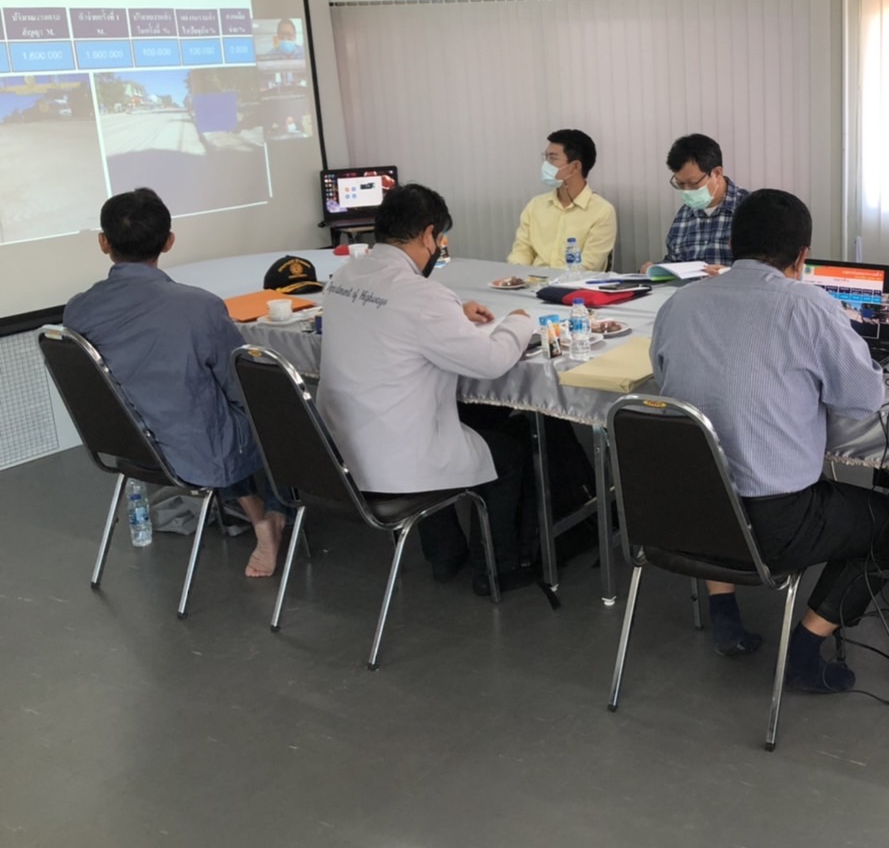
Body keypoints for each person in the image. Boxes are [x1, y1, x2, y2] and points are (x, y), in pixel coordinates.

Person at [651, 188, 889, 693]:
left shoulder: (679, 303)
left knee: (715, 465)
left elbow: (665, 380)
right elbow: (863, 398)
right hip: (774, 527)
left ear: (732, 244)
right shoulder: (808, 305)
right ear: (802, 256)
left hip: (687, 516)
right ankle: (804, 652)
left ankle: (724, 615)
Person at [319, 183, 541, 594]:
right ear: (428, 235)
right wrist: (520, 321)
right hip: (398, 459)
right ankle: (496, 570)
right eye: (439, 239)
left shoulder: (345, 276)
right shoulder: (423, 296)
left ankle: (445, 554)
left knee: (457, 424)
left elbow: (388, 317)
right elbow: (491, 362)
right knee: (510, 448)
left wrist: (454, 313)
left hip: (339, 452)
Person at [63, 188, 287, 578]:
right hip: (195, 452)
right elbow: (242, 386)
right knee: (277, 411)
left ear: (104, 242)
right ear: (169, 241)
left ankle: (255, 514)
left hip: (126, 446)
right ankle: (274, 517)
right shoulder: (198, 306)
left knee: (197, 409)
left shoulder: (78, 309)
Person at [508, 129, 617, 272]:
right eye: (546, 157)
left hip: (574, 283)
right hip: (532, 281)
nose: (546, 164)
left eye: (553, 158)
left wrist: (551, 281)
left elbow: (589, 265)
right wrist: (518, 274)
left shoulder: (602, 211)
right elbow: (522, 250)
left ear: (574, 167)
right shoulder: (536, 205)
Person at [640, 133, 749, 274]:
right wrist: (654, 269)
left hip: (733, 287)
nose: (687, 191)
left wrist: (729, 273)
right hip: (689, 288)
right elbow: (675, 262)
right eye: (680, 184)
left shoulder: (752, 209)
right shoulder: (684, 214)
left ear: (717, 173)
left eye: (693, 183)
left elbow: (768, 270)